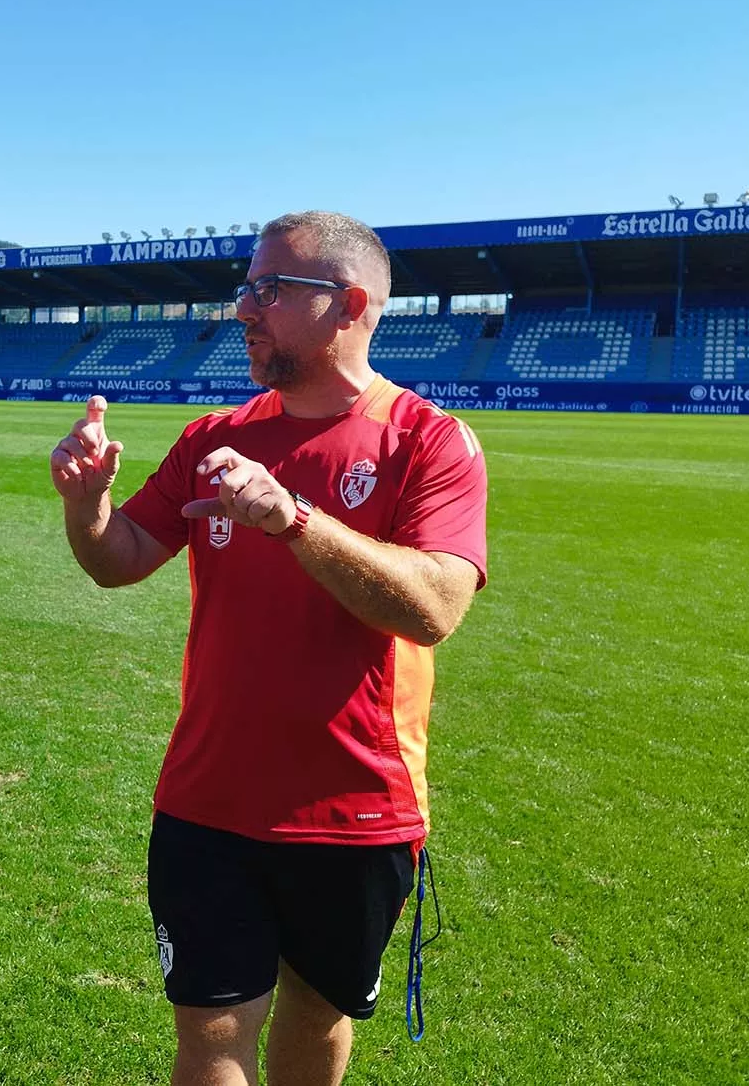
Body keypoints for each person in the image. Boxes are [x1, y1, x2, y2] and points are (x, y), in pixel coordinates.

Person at [50, 211, 487, 1086]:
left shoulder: (428, 439)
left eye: (270, 290)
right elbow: (119, 560)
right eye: (247, 287)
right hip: (208, 798)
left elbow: (436, 608)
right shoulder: (214, 436)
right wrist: (88, 506)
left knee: (318, 1020)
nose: (244, 308)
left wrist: (292, 520)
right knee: (210, 1035)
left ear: (350, 305)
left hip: (357, 805)